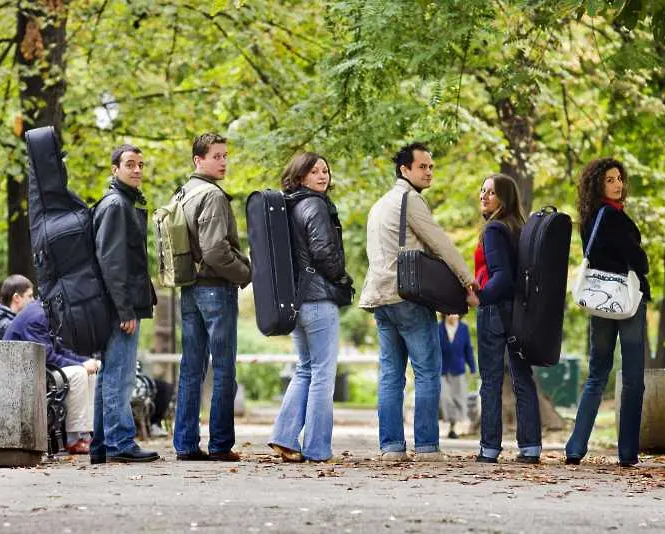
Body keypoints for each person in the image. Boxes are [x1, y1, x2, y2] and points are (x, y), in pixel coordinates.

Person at [359, 142, 478, 462]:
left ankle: (391, 448)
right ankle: (426, 447)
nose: (429, 172)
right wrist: (469, 280)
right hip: (407, 296)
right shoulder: (409, 200)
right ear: (405, 170)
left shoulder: (380, 204)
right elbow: (440, 244)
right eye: (423, 166)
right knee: (427, 371)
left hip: (380, 297)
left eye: (431, 166)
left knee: (391, 375)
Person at [268, 152, 354, 463]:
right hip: (318, 300)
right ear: (300, 175)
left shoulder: (287, 205)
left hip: (296, 301)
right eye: (314, 171)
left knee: (305, 369)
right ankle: (317, 448)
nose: (322, 176)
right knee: (322, 374)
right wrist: (341, 276)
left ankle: (284, 437)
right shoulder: (315, 205)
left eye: (325, 170)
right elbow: (323, 251)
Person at [565, 158, 650, 467]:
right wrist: (643, 261)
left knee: (597, 374)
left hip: (600, 302)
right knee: (631, 378)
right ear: (598, 183)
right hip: (627, 302)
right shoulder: (614, 218)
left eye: (619, 179)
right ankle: (627, 452)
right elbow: (637, 259)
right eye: (611, 180)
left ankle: (575, 446)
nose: (618, 184)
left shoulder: (590, 218)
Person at [173, 132, 251, 462]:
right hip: (215, 290)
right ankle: (220, 445)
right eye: (216, 156)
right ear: (198, 160)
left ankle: (186, 444)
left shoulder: (182, 193)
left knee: (191, 369)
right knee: (223, 369)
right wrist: (246, 273)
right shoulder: (212, 196)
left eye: (225, 156)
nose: (223, 162)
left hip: (188, 289)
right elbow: (216, 252)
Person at [90, 144, 159, 464]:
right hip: (121, 306)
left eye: (140, 165)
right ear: (114, 169)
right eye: (130, 164)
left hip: (120, 303)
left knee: (111, 375)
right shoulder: (117, 205)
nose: (137, 170)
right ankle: (119, 443)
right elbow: (112, 262)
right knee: (120, 375)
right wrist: (125, 309)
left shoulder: (121, 203)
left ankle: (102, 444)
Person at [471, 174, 543, 464]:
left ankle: (489, 448)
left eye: (491, 192)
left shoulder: (493, 230)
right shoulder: (520, 229)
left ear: (505, 198)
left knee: (490, 382)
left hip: (494, 312)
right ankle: (531, 447)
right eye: (483, 190)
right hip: (518, 313)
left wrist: (480, 297)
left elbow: (502, 277)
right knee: (522, 378)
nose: (484, 196)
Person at [4, 300, 99, 455]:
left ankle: (87, 434)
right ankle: (74, 439)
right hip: (22, 376)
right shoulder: (38, 317)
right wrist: (81, 367)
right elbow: (47, 357)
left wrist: (85, 362)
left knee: (90, 371)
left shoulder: (47, 312)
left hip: (37, 370)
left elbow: (59, 350)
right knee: (78, 373)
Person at [439, 314, 475, 439]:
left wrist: (472, 367)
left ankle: (452, 428)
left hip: (458, 368)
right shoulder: (439, 328)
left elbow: (468, 349)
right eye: (450, 313)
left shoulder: (463, 328)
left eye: (456, 314)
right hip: (442, 369)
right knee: (445, 398)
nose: (453, 316)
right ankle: (445, 421)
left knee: (457, 398)